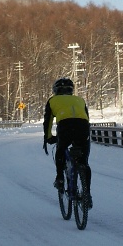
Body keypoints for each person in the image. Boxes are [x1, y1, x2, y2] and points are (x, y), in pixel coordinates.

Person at [43, 77, 92, 208]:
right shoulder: (80, 100)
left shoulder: (52, 100)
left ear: (55, 91)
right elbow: (87, 118)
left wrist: (48, 137)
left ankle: (60, 177)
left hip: (65, 127)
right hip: (83, 127)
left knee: (61, 149)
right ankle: (87, 194)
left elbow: (47, 122)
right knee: (84, 162)